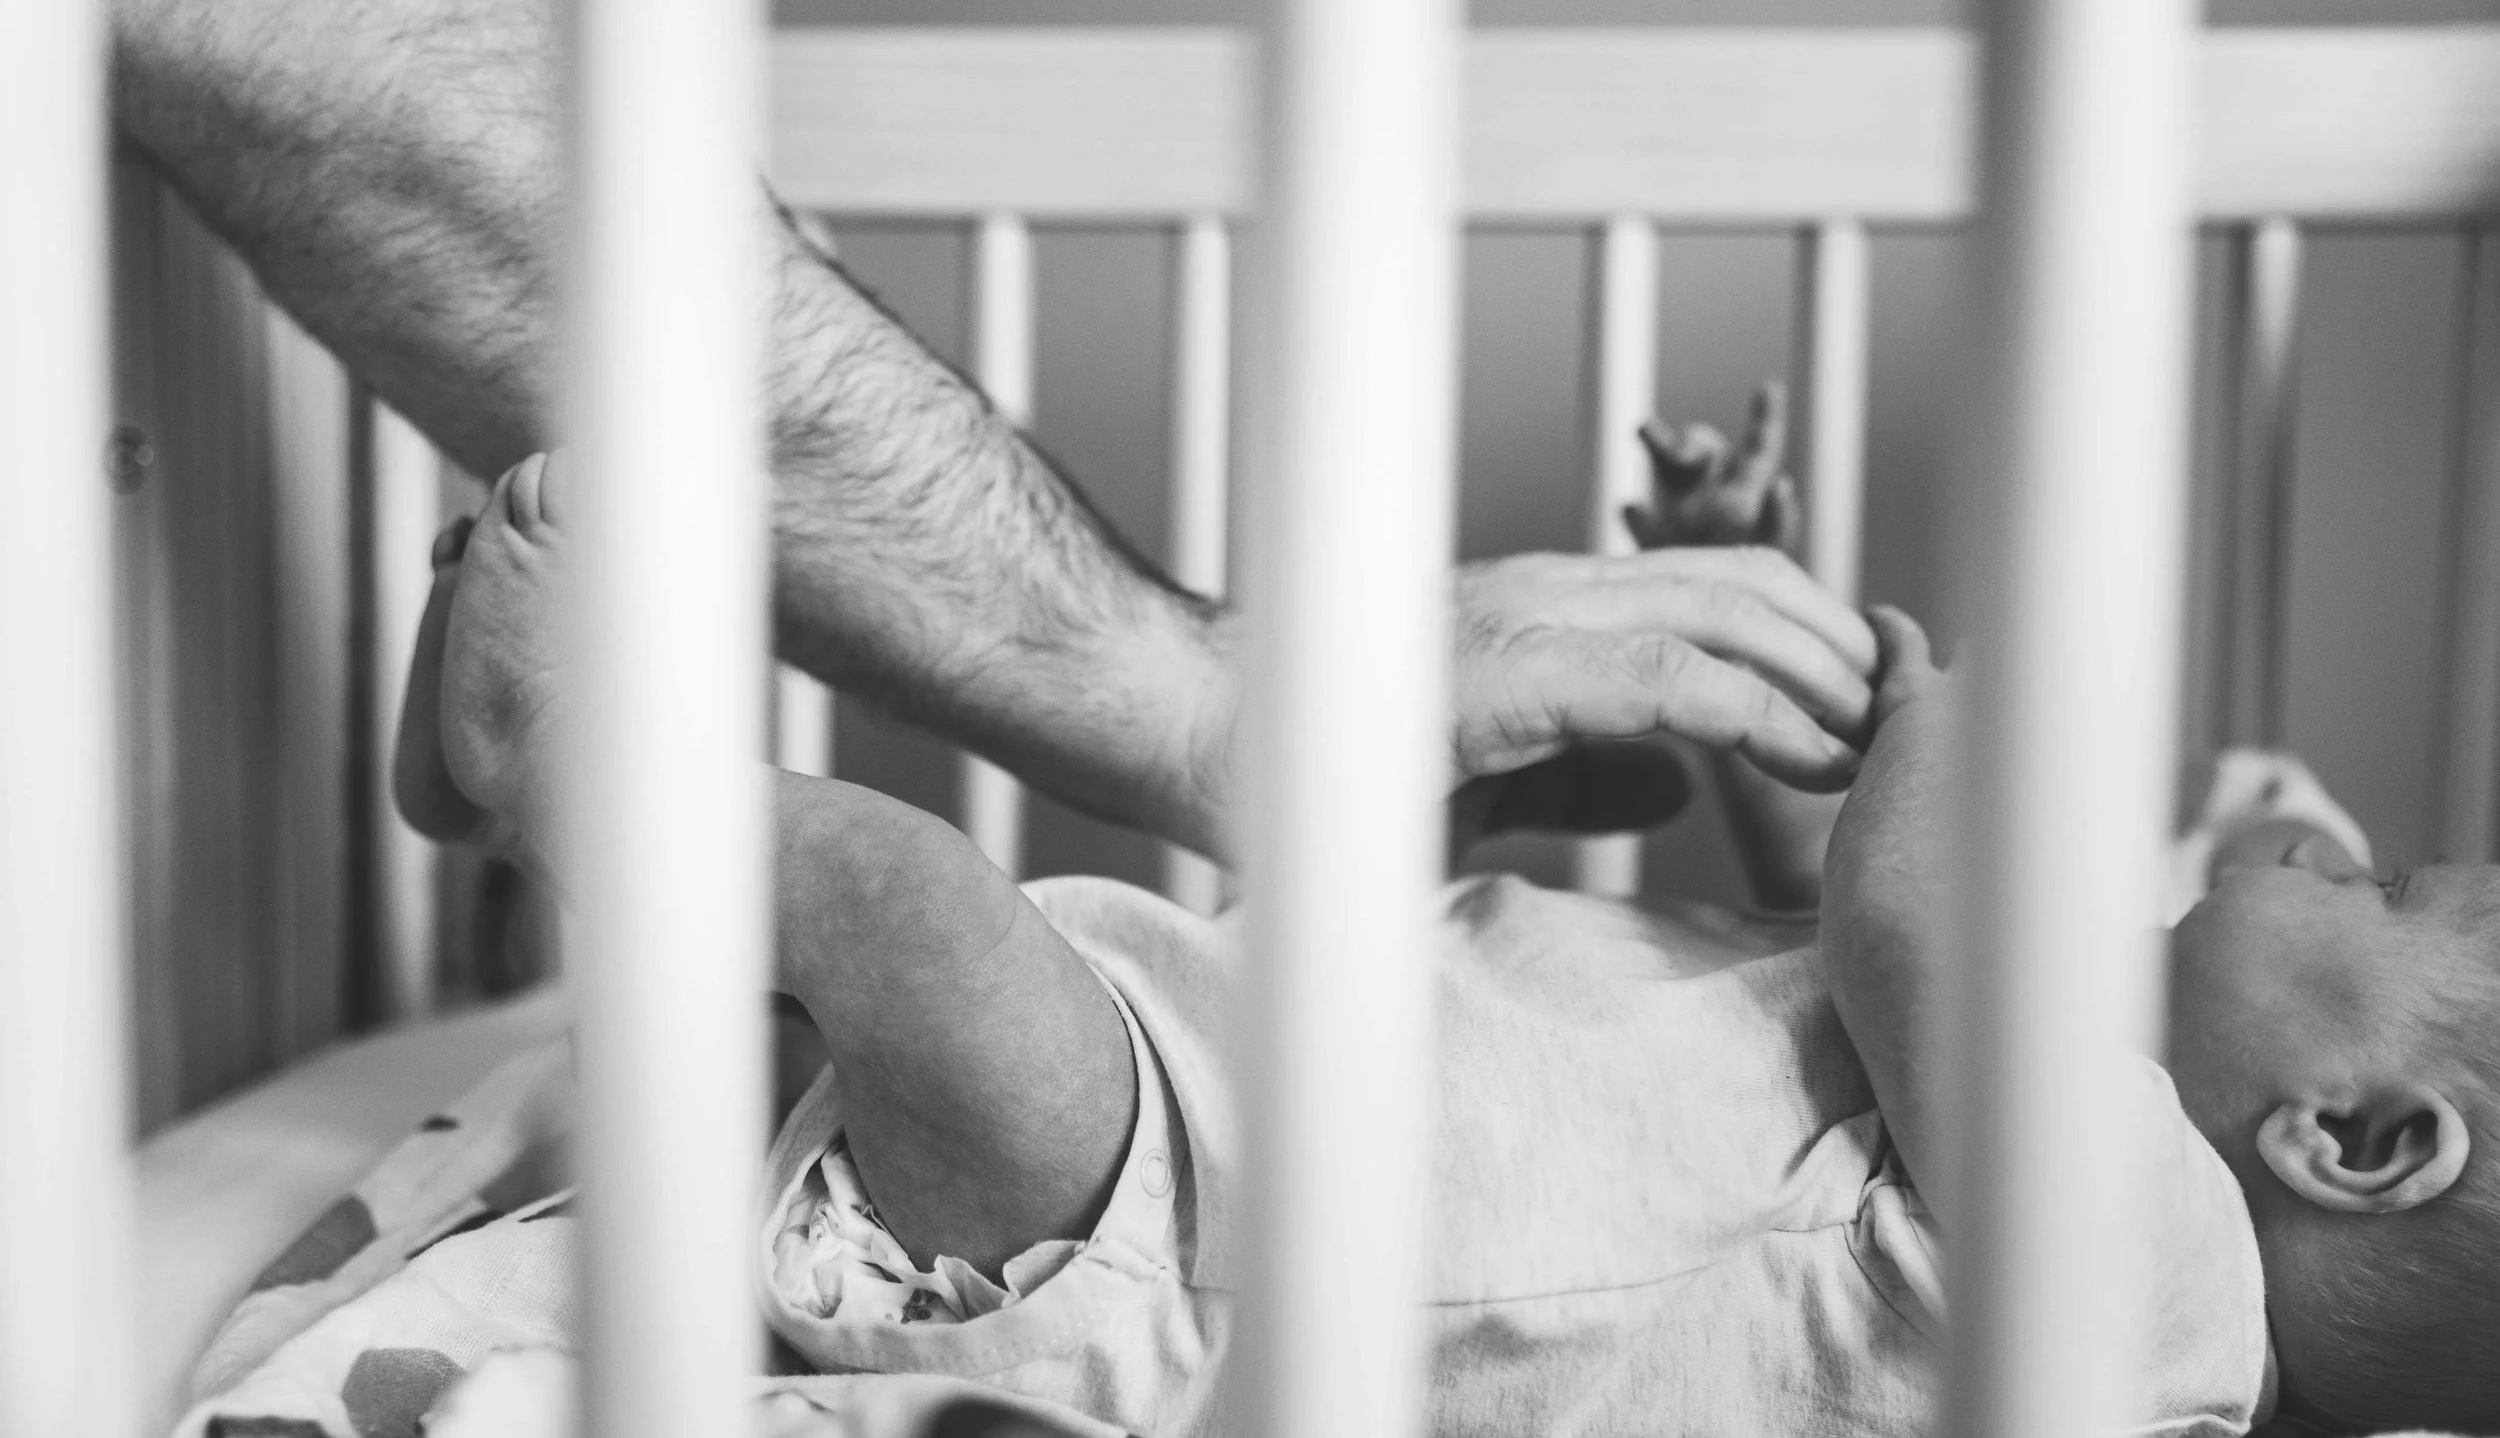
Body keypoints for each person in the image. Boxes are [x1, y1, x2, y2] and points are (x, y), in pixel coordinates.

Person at [403, 391, 2500, 1438]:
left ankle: (549, 761)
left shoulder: (2150, 1286)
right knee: (889, 965)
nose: (2314, 845)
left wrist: (1943, 722)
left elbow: (1908, 925)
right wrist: (1739, 600)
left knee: (905, 909)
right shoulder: (2057, 1207)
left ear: (2357, 1139)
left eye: (2379, 888)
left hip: (1179, 1228)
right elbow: (1854, 953)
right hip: (1202, 1146)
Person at [87, 0, 1872, 876]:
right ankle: (540, 792)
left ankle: (550, 791)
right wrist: (1795, 717)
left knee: (920, 944)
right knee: (927, 947)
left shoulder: (2097, 1205)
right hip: (1330, 1093)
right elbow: (1865, 909)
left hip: (1310, 1157)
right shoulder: (2079, 1103)